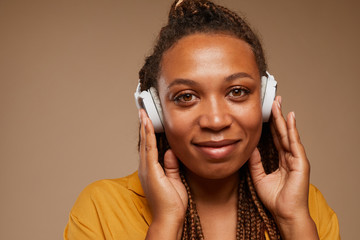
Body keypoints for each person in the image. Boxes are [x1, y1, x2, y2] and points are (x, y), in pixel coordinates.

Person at [64, 0, 340, 239]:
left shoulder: (306, 206)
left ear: (266, 103)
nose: (216, 120)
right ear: (155, 112)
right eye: (186, 96)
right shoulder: (102, 207)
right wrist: (167, 222)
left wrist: (294, 221)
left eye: (237, 91)